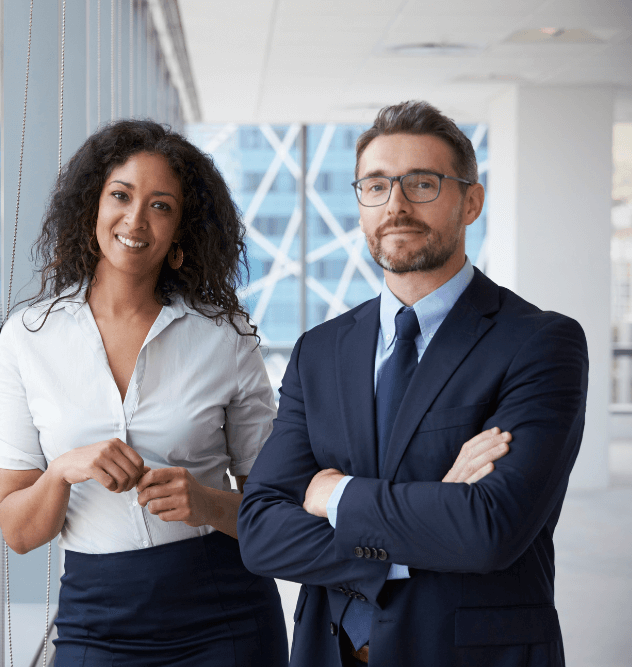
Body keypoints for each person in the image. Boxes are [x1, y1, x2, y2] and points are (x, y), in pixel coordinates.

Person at [237, 101, 588, 667]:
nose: (396, 205)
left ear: (470, 201)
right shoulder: (319, 352)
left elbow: (489, 528)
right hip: (331, 652)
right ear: (359, 204)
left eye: (422, 184)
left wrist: (337, 496)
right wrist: (437, 508)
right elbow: (259, 532)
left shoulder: (540, 343)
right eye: (376, 186)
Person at [0, 119, 288, 666]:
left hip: (223, 614)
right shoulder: (28, 339)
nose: (135, 219)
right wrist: (62, 470)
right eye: (121, 196)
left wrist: (205, 503)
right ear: (92, 208)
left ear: (182, 228)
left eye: (161, 206)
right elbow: (18, 531)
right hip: (95, 619)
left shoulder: (225, 337)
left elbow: (277, 514)